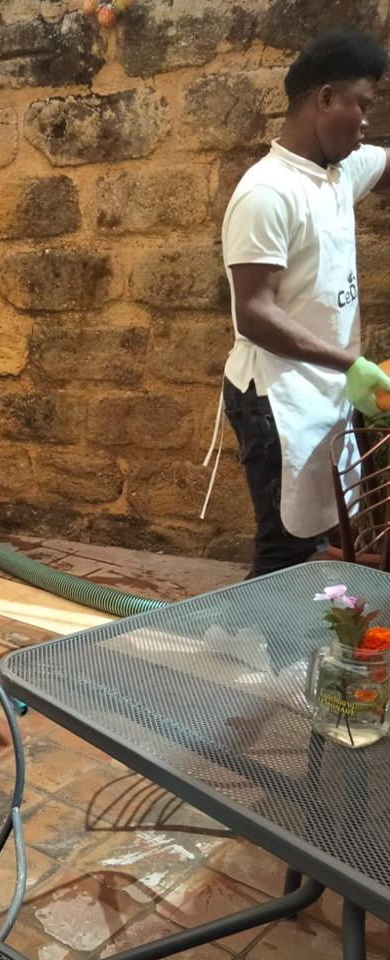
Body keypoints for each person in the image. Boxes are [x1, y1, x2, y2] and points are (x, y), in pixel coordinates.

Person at [218, 28, 390, 578]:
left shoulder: (340, 171)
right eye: (363, 104)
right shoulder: (267, 192)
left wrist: (346, 372)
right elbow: (254, 312)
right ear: (326, 99)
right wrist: (351, 363)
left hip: (328, 389)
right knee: (285, 549)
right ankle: (267, 633)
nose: (366, 122)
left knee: (328, 531)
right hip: (276, 397)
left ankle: (322, 625)